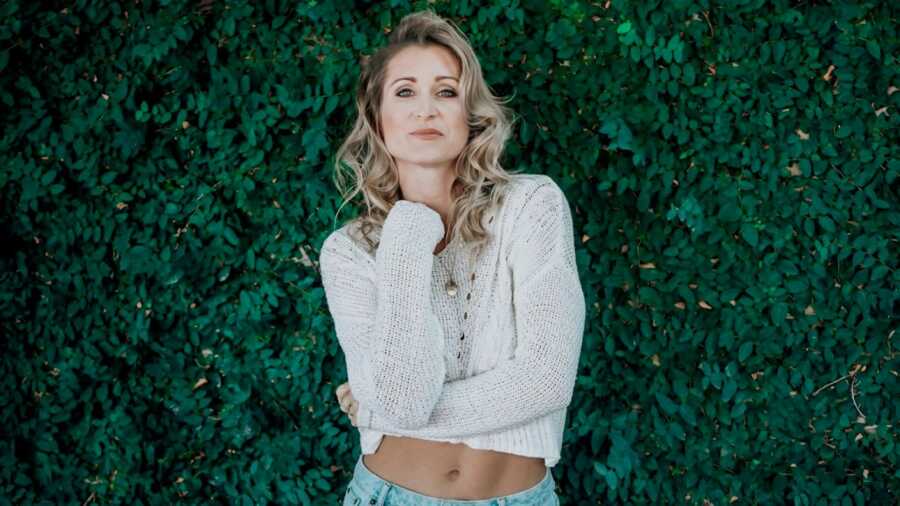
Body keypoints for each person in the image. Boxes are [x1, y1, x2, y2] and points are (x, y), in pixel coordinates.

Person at [318, 9, 586, 506]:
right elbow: (399, 399)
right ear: (377, 117)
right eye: (404, 92)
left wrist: (379, 410)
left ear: (471, 114)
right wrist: (407, 232)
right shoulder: (349, 252)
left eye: (445, 91)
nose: (426, 110)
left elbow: (546, 380)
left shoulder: (531, 205)